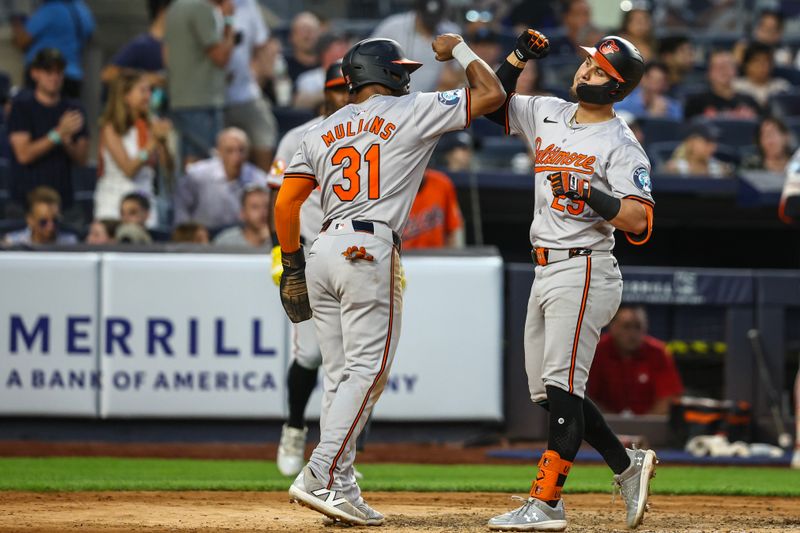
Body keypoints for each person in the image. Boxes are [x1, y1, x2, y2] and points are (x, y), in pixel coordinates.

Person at [275, 36, 504, 525]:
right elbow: (491, 94)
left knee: (340, 375)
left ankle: (340, 483)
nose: (407, 76)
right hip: (367, 247)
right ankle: (319, 473)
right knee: (368, 371)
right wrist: (461, 50)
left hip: (322, 250)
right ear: (383, 72)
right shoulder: (411, 109)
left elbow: (285, 204)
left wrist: (292, 264)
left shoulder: (319, 131)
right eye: (399, 67)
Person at [483, 31, 657, 531]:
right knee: (550, 393)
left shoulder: (623, 144)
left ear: (618, 88)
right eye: (588, 64)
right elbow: (495, 105)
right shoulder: (550, 112)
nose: (586, 72)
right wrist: (517, 59)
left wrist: (592, 194)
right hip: (545, 266)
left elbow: (638, 221)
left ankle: (546, 503)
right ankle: (627, 465)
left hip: (584, 265)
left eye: (600, 70)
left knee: (561, 387)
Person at [268, 61, 351, 478]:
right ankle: (295, 428)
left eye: (346, 87)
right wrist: (288, 257)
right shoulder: (297, 137)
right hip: (305, 251)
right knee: (312, 354)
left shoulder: (371, 129)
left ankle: (337, 454)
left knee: (353, 362)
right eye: (335, 88)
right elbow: (279, 201)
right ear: (325, 92)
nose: (341, 94)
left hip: (355, 252)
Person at [6, 48, 89, 219]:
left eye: (58, 72)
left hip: (62, 202)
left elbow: (81, 160)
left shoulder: (73, 109)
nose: (54, 77)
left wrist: (66, 140)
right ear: (35, 73)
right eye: (48, 71)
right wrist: (58, 133)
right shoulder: (22, 107)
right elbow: (24, 154)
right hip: (25, 202)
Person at [94, 71, 172, 227]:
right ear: (125, 96)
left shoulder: (152, 124)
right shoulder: (111, 127)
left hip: (145, 203)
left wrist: (163, 143)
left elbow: (168, 169)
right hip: (113, 203)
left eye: (150, 90)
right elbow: (129, 169)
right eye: (142, 91)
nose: (148, 96)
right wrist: (152, 143)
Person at [164, 0, 236, 165]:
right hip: (203, 101)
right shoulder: (202, 9)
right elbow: (221, 57)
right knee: (208, 164)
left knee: (191, 163)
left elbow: (166, 55)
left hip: (181, 98)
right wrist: (229, 20)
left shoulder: (175, 7)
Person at [588, 305, 684, 415]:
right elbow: (587, 396)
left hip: (648, 427)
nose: (632, 334)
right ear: (612, 327)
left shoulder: (658, 353)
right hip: (602, 425)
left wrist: (643, 425)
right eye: (626, 327)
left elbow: (668, 398)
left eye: (638, 327)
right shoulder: (596, 351)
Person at [174, 128, 268, 228]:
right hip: (203, 236)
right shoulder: (197, 175)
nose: (236, 157)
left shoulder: (259, 179)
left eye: (241, 150)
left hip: (241, 237)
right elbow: (181, 207)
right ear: (219, 152)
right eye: (229, 151)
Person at [224, 0, 278, 173]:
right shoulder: (203, 6)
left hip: (247, 93)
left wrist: (258, 77)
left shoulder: (248, 4)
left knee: (265, 132)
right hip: (213, 97)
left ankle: (264, 190)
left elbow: (262, 44)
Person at [11, 0, 95, 99]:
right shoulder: (83, 10)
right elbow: (90, 37)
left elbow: (22, 41)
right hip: (73, 76)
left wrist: (16, 24)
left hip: (44, 76)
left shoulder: (50, 10)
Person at [370, 0, 461, 92]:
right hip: (396, 100)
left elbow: (455, 75)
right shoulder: (393, 27)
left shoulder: (451, 32)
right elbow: (368, 55)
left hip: (431, 101)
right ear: (417, 10)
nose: (430, 21)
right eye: (427, 16)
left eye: (435, 17)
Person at [101, 0, 172, 99]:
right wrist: (146, 78)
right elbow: (108, 75)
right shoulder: (142, 45)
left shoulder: (176, 46)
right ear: (163, 11)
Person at [684, 49, 760, 120]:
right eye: (719, 67)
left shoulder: (749, 101)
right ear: (709, 73)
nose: (724, 71)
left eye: (728, 66)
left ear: (735, 71)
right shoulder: (696, 103)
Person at [402, 169, 465, 249]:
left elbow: (452, 230)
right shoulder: (391, 188)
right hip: (404, 257)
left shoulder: (442, 183)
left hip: (435, 256)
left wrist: (451, 259)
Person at [293, 33, 351, 109]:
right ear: (325, 52)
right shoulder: (308, 78)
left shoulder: (353, 75)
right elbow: (299, 104)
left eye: (345, 47)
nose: (345, 51)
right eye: (340, 47)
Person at [3, 186, 78, 245]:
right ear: (30, 220)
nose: (50, 226)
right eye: (43, 222)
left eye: (55, 220)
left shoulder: (70, 243)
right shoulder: (12, 244)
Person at [614, 62, 682, 120]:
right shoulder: (622, 104)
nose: (655, 88)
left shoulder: (674, 108)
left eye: (661, 82)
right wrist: (651, 116)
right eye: (653, 81)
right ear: (643, 79)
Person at [732, 42, 790, 109]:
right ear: (746, 65)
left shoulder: (782, 87)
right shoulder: (735, 87)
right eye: (757, 61)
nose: (762, 65)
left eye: (766, 61)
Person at [664, 122, 733, 178]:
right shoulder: (674, 169)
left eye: (714, 142)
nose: (713, 148)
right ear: (691, 142)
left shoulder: (720, 170)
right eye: (707, 141)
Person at [284, 12, 322, 85]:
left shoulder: (327, 64)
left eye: (313, 30)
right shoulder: (283, 66)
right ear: (291, 37)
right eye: (303, 30)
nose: (309, 34)